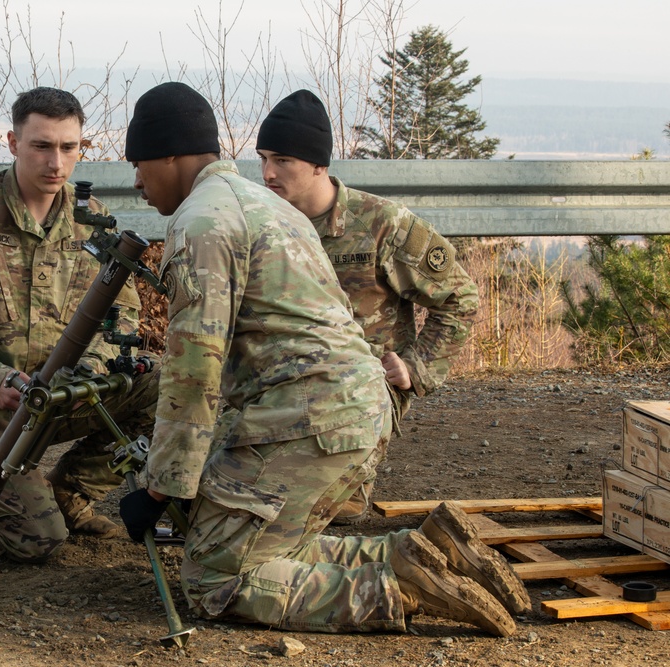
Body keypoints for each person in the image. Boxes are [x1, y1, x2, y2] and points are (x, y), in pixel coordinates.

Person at [117, 81, 526, 636]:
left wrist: (160, 487)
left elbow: (195, 374)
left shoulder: (203, 224)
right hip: (350, 412)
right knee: (278, 546)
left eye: (139, 163)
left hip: (308, 421)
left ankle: (398, 591)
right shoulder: (264, 205)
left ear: (169, 154)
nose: (136, 181)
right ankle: (423, 550)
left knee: (214, 577)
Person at [0, 87, 157, 563]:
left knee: (163, 382)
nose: (56, 163)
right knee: (37, 543)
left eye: (68, 148)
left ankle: (68, 493)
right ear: (13, 143)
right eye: (41, 146)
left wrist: (93, 367)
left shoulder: (91, 220)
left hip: (55, 398)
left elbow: (124, 312)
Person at [256, 89, 480, 524]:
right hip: (282, 384)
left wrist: (415, 368)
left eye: (283, 161)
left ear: (320, 164)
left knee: (317, 511)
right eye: (263, 158)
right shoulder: (264, 222)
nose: (267, 172)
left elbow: (460, 298)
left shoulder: (381, 225)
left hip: (360, 396)